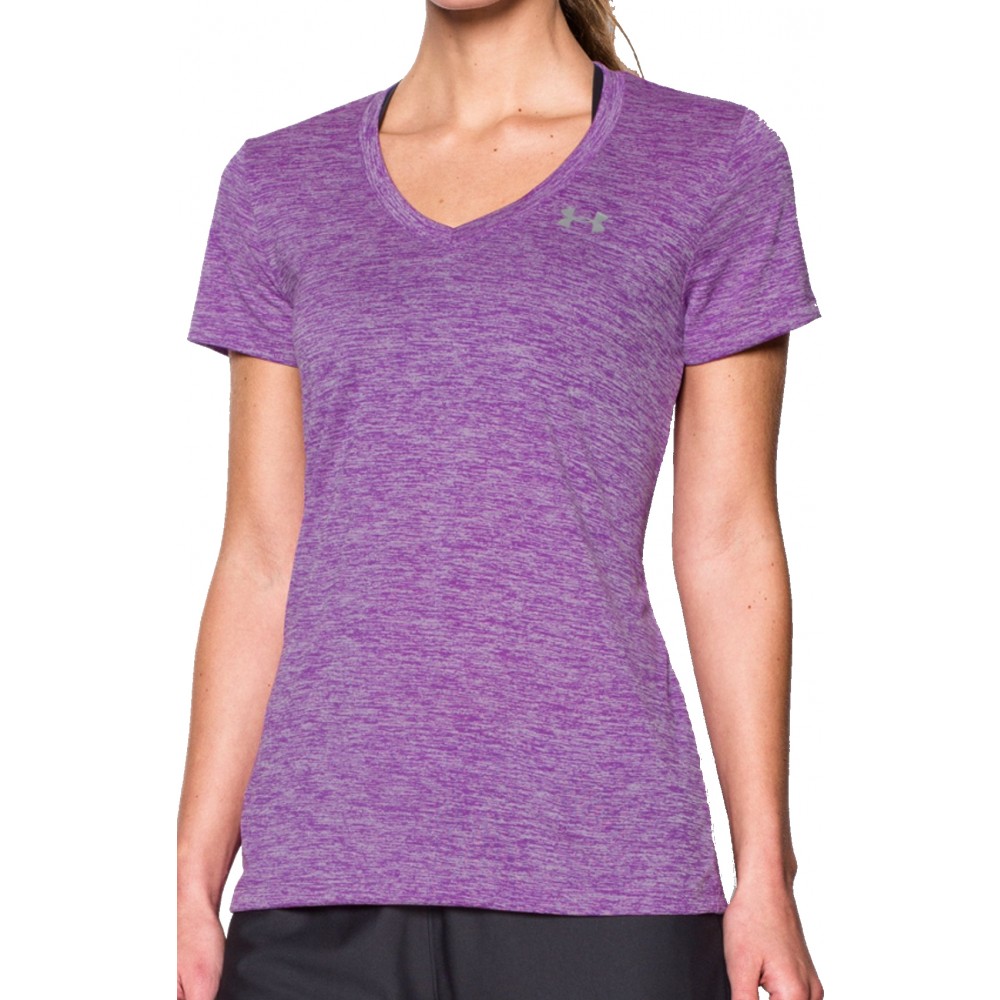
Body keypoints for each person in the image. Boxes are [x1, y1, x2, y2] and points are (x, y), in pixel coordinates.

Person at [176, 1, 825, 998]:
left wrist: (764, 870)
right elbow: (263, 552)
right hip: (317, 885)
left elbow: (728, 539)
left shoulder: (710, 163)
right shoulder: (278, 185)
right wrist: (194, 873)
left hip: (608, 881)